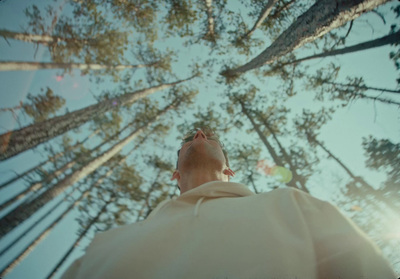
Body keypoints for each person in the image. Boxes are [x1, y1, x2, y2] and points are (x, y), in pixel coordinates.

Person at [62, 128, 397, 279]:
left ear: (230, 169)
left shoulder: (292, 204)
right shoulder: (104, 248)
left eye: (210, 137)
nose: (199, 136)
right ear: (175, 175)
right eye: (189, 140)